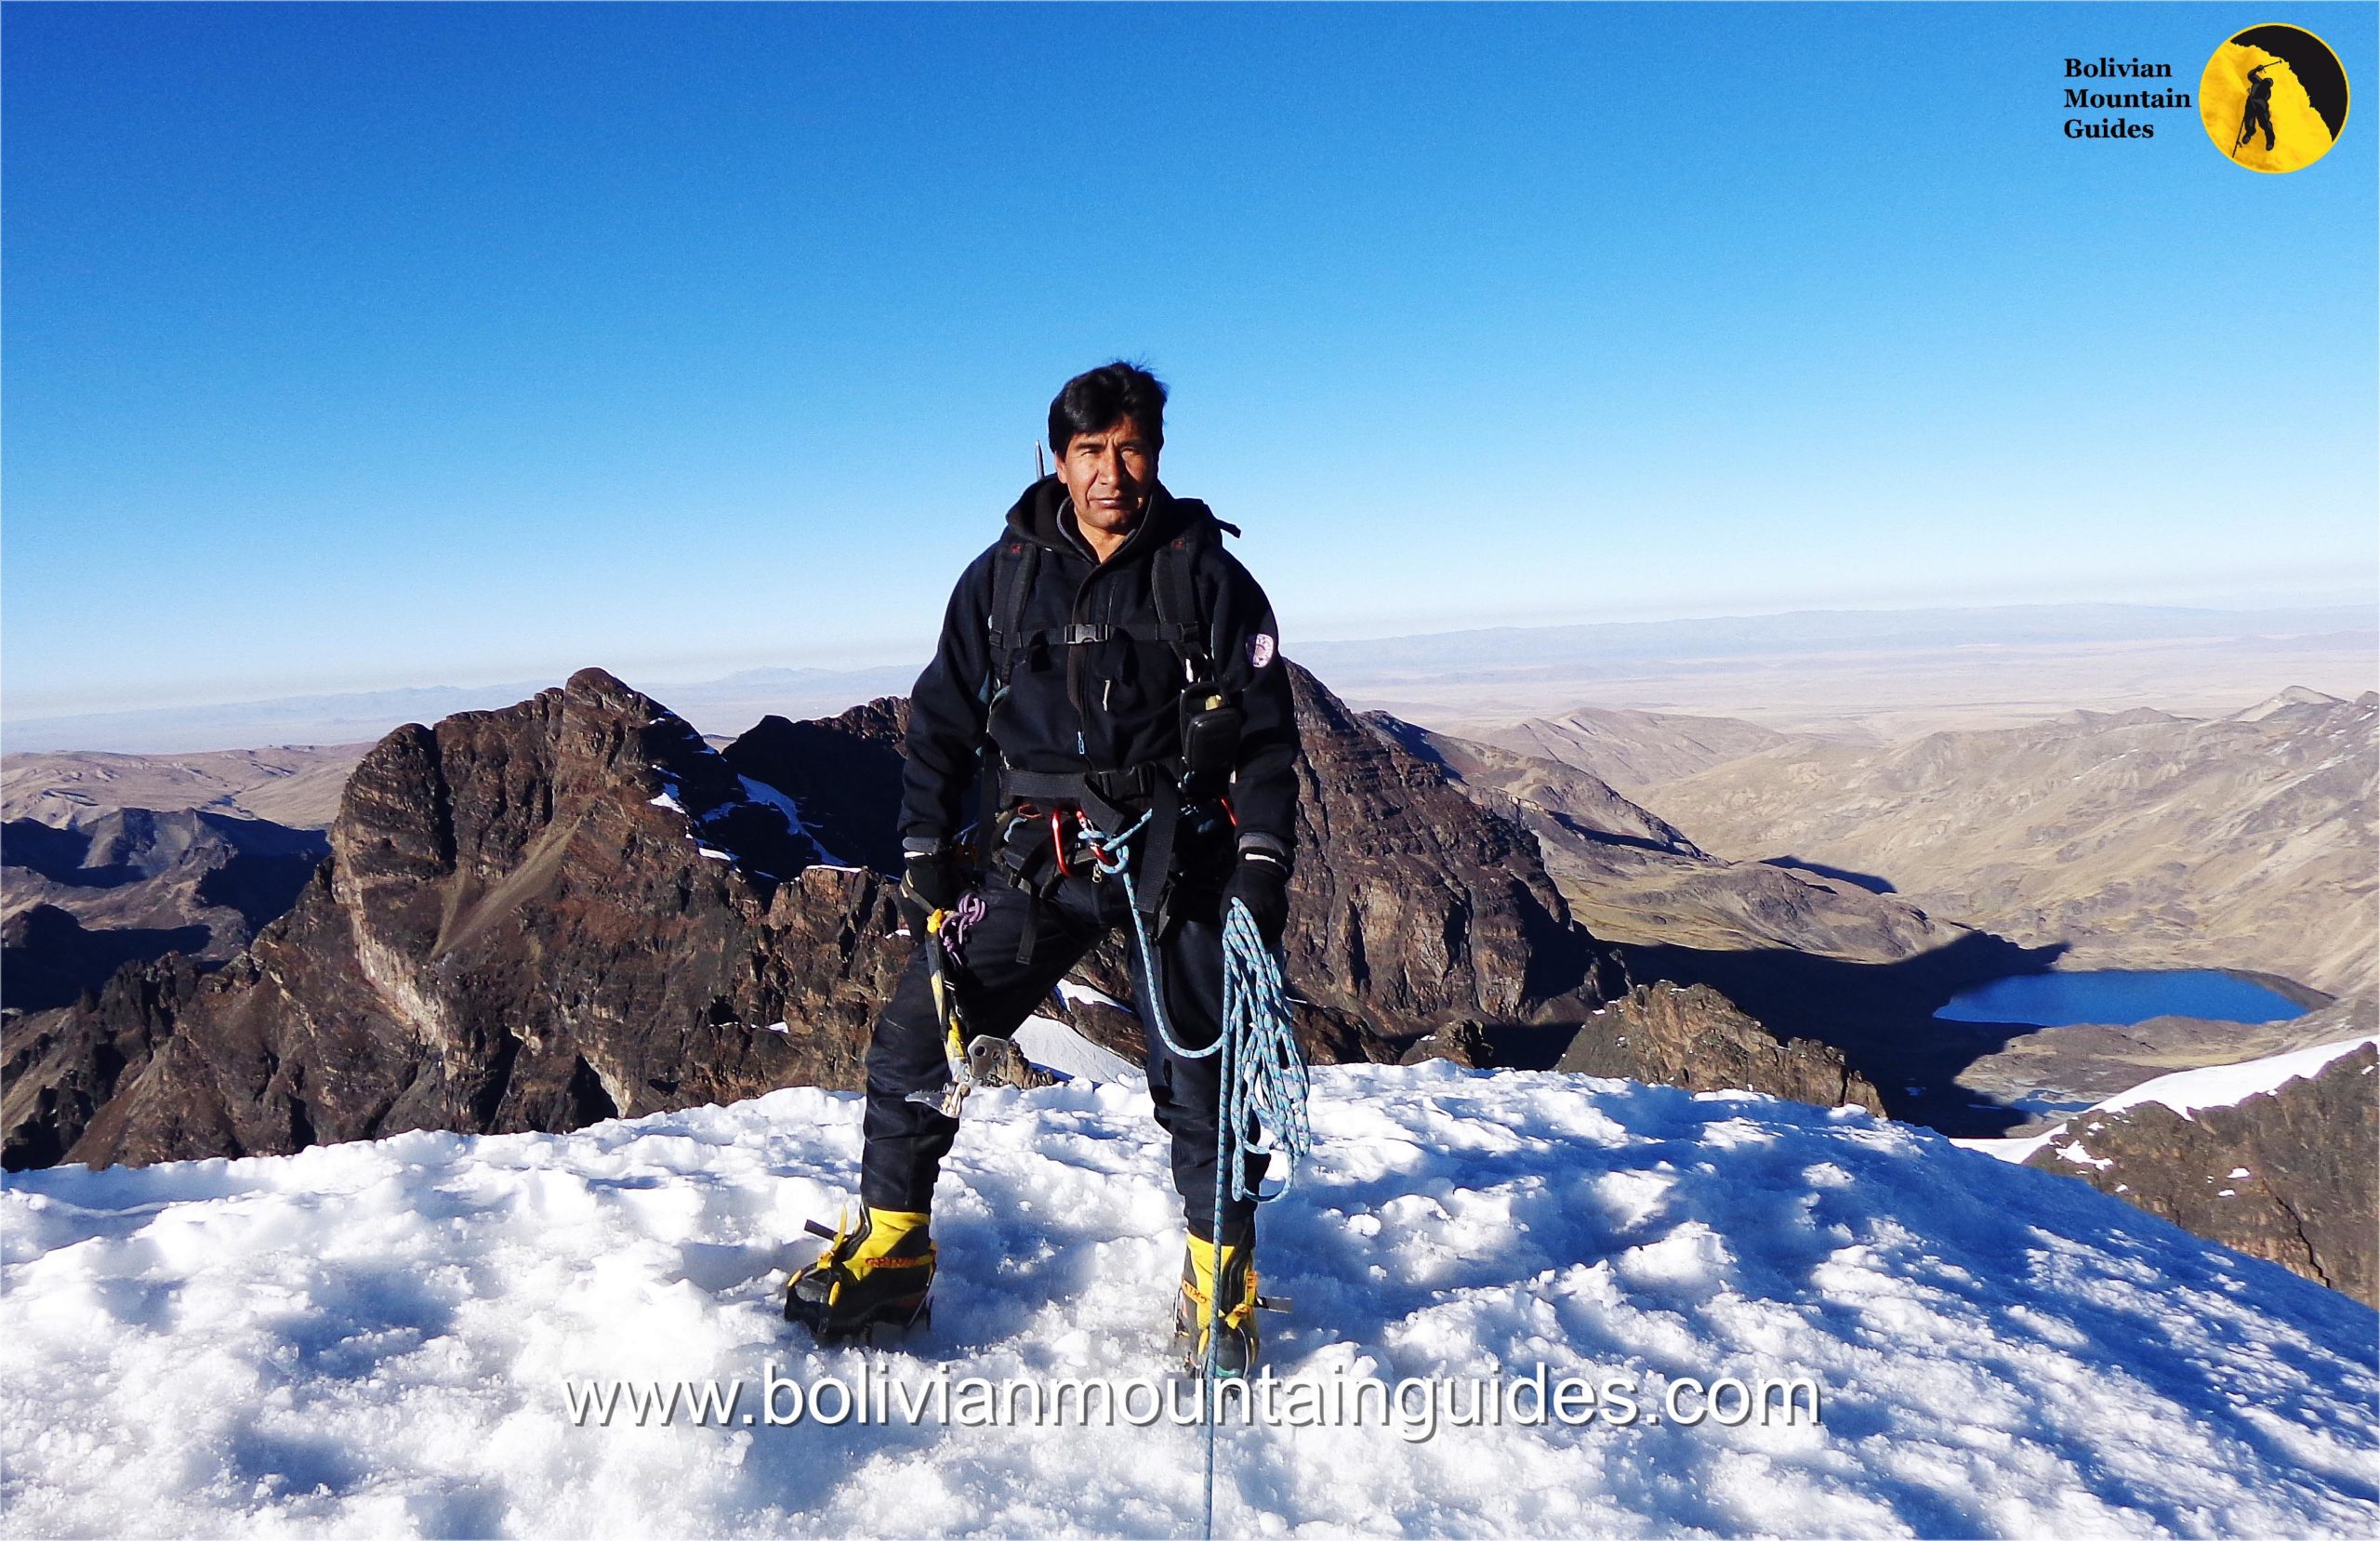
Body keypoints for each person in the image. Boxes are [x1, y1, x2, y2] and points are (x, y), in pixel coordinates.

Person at [786, 362, 1301, 1373]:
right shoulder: (1003, 577)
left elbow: (1270, 741)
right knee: (911, 1043)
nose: (1113, 471)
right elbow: (937, 722)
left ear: (1155, 451)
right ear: (1059, 459)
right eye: (1091, 451)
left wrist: (1261, 862)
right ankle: (893, 1244)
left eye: (1131, 448)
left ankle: (1218, 1280)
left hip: (1176, 851)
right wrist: (928, 855)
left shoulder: (1208, 578)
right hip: (1036, 854)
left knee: (1208, 1072)